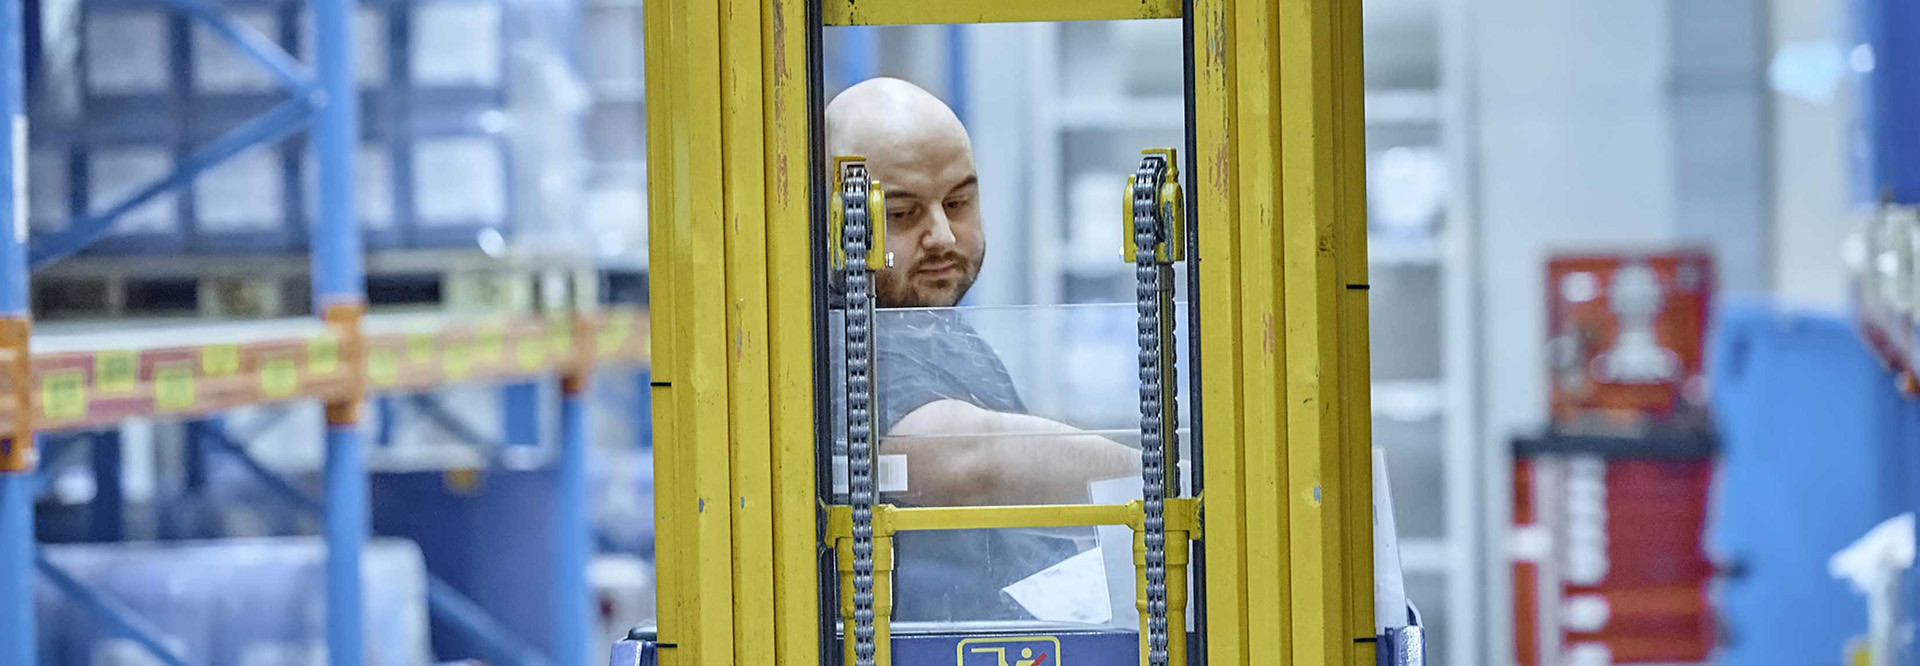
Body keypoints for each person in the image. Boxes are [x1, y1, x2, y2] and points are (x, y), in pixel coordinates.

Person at [825, 77, 1140, 621]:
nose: (943, 235)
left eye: (958, 201)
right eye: (902, 214)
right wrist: (1158, 475)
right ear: (834, 221)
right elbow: (961, 459)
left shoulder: (929, 323)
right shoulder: (831, 340)